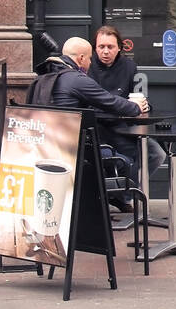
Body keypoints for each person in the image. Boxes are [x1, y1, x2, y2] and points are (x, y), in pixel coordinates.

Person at [27, 37, 151, 209]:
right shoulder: (75, 79)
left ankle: (111, 200)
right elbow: (109, 101)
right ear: (81, 58)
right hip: (74, 151)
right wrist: (136, 107)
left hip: (49, 146)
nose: (91, 62)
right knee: (126, 161)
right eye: (90, 58)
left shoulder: (46, 75)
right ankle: (113, 199)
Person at [88, 25, 167, 174]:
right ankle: (121, 192)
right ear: (95, 48)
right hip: (97, 129)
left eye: (110, 46)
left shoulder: (129, 66)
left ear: (119, 47)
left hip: (124, 128)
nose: (105, 51)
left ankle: (127, 190)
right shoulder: (88, 66)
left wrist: (144, 105)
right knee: (111, 163)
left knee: (156, 154)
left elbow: (140, 97)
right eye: (101, 46)